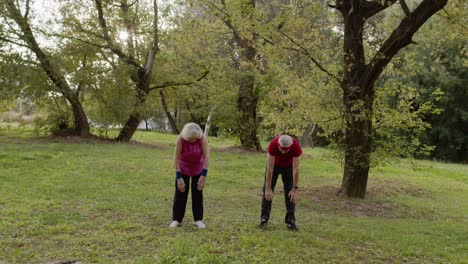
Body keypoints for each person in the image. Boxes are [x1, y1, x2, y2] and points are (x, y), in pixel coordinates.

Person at [258, 134, 303, 230]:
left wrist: (295, 189)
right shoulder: (273, 144)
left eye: (286, 150)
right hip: (274, 166)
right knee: (267, 193)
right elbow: (270, 169)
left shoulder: (296, 147)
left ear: (290, 147)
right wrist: (268, 187)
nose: (283, 151)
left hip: (288, 167)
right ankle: (264, 219)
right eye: (281, 149)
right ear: (278, 145)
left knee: (290, 193)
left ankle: (290, 221)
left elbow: (296, 169)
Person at [169, 123, 209, 229]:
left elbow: (206, 157)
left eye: (195, 139)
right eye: (190, 139)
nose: (193, 141)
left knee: (198, 193)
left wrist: (203, 175)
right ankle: (176, 219)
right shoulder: (180, 139)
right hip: (183, 167)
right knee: (180, 192)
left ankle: (198, 220)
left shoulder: (202, 138)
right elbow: (176, 158)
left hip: (198, 168)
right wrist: (179, 177)